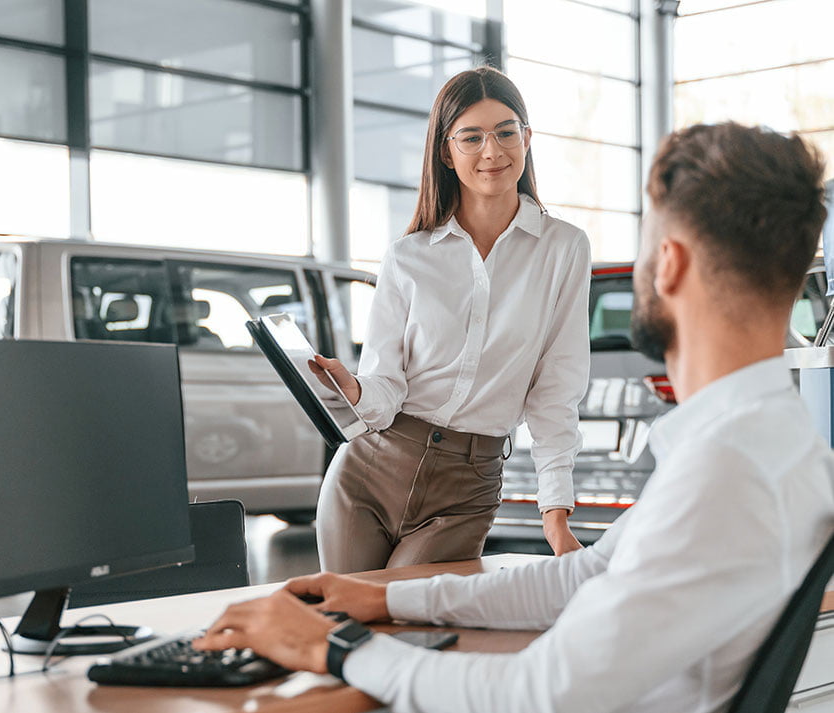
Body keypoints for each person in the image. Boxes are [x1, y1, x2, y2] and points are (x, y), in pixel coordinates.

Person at [195, 122, 834, 713]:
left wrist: (330, 648)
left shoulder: (728, 473)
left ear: (668, 264)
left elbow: (541, 692)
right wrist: (384, 596)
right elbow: (589, 575)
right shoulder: (762, 445)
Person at [312, 66, 591, 569]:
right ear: (446, 151)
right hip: (370, 471)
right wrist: (353, 390)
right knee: (346, 624)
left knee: (409, 618)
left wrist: (556, 514)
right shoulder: (407, 256)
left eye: (507, 132)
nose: (493, 151)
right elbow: (386, 385)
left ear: (527, 138)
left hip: (467, 489)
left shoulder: (564, 248)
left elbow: (557, 388)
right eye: (472, 137)